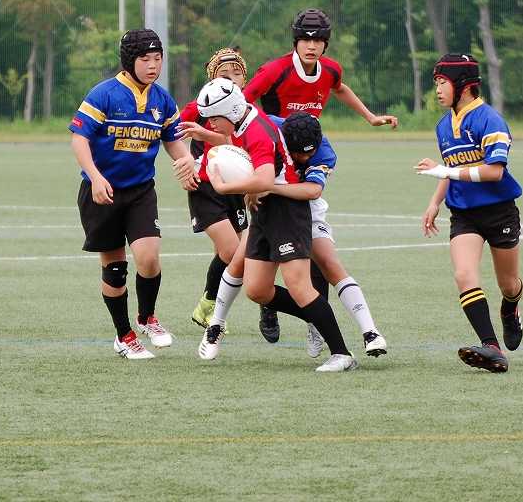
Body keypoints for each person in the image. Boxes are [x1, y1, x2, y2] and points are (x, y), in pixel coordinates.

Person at [242, 7, 398, 342]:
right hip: (272, 161)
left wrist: (370, 117)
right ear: (295, 40)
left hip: (306, 155)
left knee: (314, 247)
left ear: (326, 43)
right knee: (251, 252)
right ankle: (261, 304)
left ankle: (318, 323)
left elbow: (339, 88)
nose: (311, 45)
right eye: (305, 39)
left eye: (318, 40)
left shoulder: (330, 70)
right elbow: (244, 103)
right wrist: (259, 153)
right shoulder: (275, 70)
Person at [185, 78, 357, 372]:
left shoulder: (256, 130)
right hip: (264, 210)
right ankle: (315, 316)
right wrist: (208, 143)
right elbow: (240, 151)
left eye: (214, 118)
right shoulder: (243, 122)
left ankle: (341, 353)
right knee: (257, 289)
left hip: (287, 212)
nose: (210, 123)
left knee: (300, 287)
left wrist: (224, 187)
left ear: (230, 111)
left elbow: (265, 179)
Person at [69, 29, 195, 360]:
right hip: (102, 192)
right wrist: (95, 177)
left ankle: (146, 317)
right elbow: (79, 139)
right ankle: (124, 336)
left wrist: (186, 161)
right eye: (145, 59)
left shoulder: (162, 99)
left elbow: (172, 139)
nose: (153, 66)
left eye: (158, 58)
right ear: (129, 61)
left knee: (149, 258)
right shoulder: (104, 94)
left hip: (140, 191)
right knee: (115, 270)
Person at [415, 53, 523, 374]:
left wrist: (444, 172)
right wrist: (435, 201)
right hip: (464, 214)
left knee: (509, 284)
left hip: (500, 212)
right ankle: (492, 347)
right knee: (464, 275)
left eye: (442, 82)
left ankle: (511, 308)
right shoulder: (443, 125)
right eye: (436, 82)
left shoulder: (490, 120)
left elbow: (494, 171)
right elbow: (450, 169)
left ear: (463, 85)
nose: (437, 89)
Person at [263, 112, 388, 358]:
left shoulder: (324, 153)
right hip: (268, 212)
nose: (305, 158)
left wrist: (266, 187)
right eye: (299, 153)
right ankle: (216, 323)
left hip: (305, 210)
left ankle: (371, 332)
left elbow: (313, 191)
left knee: (330, 264)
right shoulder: (268, 127)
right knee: (251, 282)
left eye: (310, 153)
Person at [180, 47, 250, 329]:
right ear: (212, 79)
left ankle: (208, 309)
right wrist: (185, 163)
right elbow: (172, 132)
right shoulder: (200, 106)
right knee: (233, 252)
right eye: (223, 74)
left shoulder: (247, 110)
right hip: (205, 188)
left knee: (227, 253)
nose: (231, 78)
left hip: (235, 189)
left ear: (244, 79)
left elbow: (243, 146)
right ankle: (209, 305)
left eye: (237, 73)